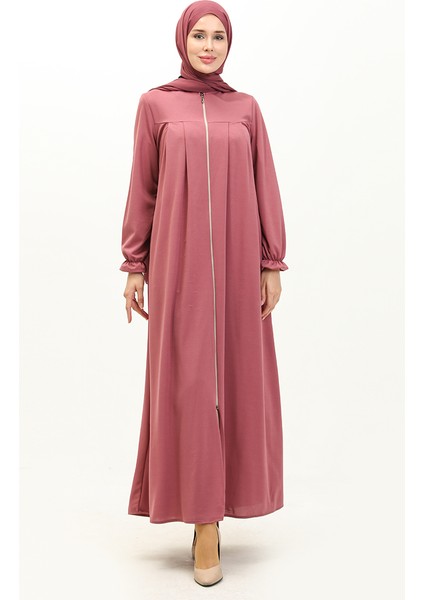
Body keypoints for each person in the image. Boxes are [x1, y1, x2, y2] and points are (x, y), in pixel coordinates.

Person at [119, 0, 289, 587]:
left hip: (241, 265)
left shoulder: (246, 109)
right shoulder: (155, 105)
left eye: (218, 36)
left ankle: (226, 503)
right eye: (199, 35)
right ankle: (203, 521)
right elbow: (143, 186)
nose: (209, 46)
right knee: (188, 385)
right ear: (182, 40)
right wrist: (134, 263)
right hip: (178, 263)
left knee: (238, 382)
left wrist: (271, 261)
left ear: (228, 44)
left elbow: (265, 183)